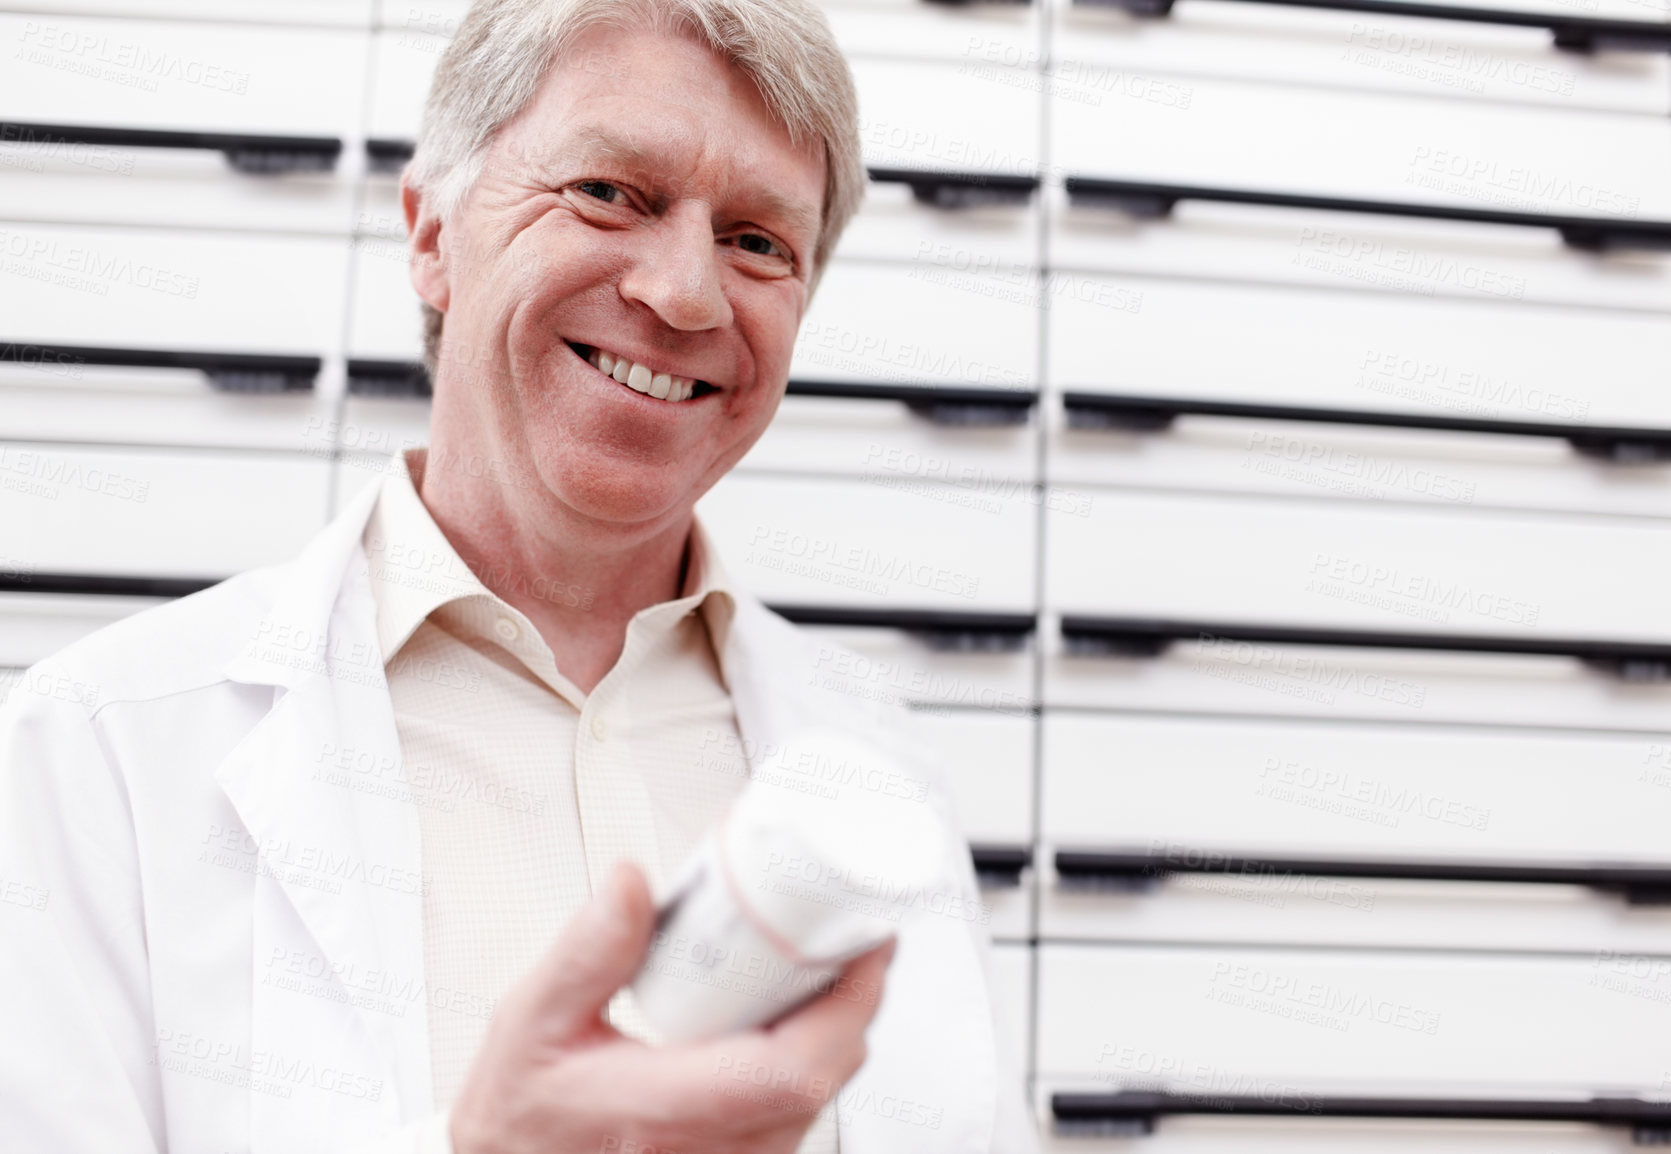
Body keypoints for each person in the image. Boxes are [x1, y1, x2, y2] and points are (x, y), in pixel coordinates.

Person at [0, 1, 1030, 1150]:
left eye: (757, 241)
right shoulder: (100, 746)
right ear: (432, 237)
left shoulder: (880, 769)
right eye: (610, 192)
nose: (685, 293)